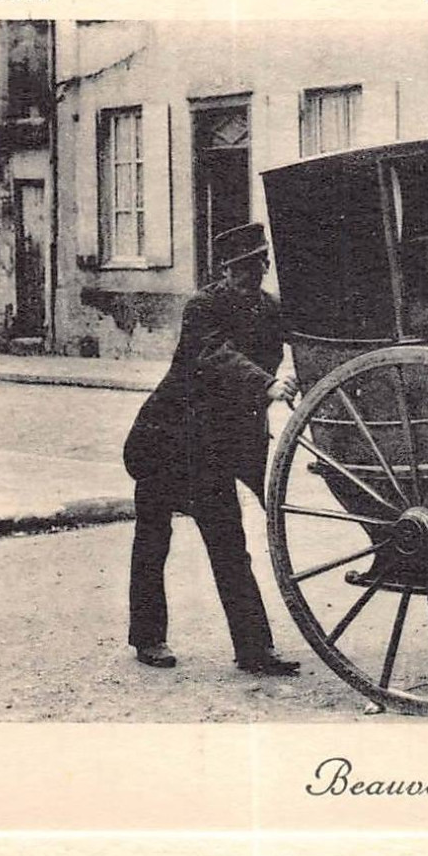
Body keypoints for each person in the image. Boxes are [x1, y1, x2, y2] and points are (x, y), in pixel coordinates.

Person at [122, 222, 303, 675]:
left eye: (258, 263)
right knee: (153, 540)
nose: (252, 273)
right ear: (224, 270)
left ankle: (254, 651)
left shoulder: (270, 309)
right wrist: (268, 384)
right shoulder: (203, 307)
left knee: (229, 547)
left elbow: (302, 340)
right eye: (241, 267)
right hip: (169, 441)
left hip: (217, 447)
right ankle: (148, 638)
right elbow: (213, 357)